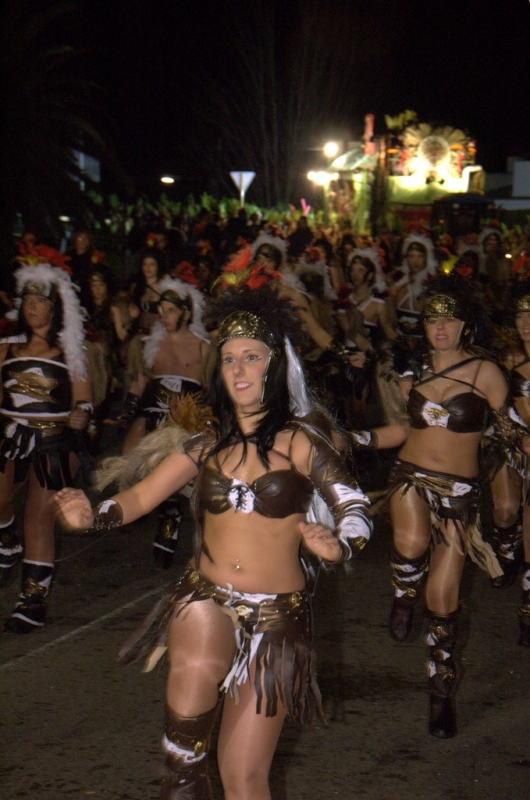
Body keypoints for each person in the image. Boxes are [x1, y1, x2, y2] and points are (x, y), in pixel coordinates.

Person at [55, 284, 372, 800]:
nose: (240, 370)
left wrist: (340, 546)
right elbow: (136, 499)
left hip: (278, 618)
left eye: (252, 358)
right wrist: (89, 516)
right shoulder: (205, 445)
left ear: (276, 366)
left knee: (244, 777)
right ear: (218, 373)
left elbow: (355, 509)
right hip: (206, 597)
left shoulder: (302, 442)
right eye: (228, 360)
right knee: (188, 740)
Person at [352, 275, 527, 738]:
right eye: (433, 320)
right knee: (409, 542)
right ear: (424, 327)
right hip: (408, 476)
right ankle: (402, 591)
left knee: (444, 597)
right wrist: (356, 438)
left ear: (465, 325)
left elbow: (513, 429)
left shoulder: (485, 372)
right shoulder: (415, 370)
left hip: (459, 493)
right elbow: (399, 431)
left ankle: (441, 691)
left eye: (449, 320)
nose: (441, 327)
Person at [0, 261, 92, 633]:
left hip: (54, 443)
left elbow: (85, 402)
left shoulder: (72, 351)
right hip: (9, 438)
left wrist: (81, 416)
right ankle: (7, 541)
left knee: (38, 517)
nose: (32, 307)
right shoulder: (5, 347)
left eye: (40, 301)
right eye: (27, 300)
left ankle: (33, 599)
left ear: (55, 307)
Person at [488, 288, 530, 644]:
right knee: (504, 509)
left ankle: (527, 608)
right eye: (520, 316)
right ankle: (506, 544)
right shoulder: (503, 360)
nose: (526, 323)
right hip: (507, 444)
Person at [129, 248, 167, 333]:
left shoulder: (165, 287)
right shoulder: (136, 287)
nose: (148, 268)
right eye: (145, 264)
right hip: (140, 333)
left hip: (160, 333)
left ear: (158, 266)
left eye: (152, 264)